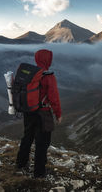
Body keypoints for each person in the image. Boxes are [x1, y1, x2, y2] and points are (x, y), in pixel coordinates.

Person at [16, 49, 62, 178]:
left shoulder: (30, 74)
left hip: (28, 111)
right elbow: (54, 98)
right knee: (42, 143)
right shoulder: (48, 76)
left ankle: (20, 163)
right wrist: (58, 114)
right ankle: (39, 173)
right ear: (48, 60)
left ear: (37, 59)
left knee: (27, 137)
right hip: (43, 114)